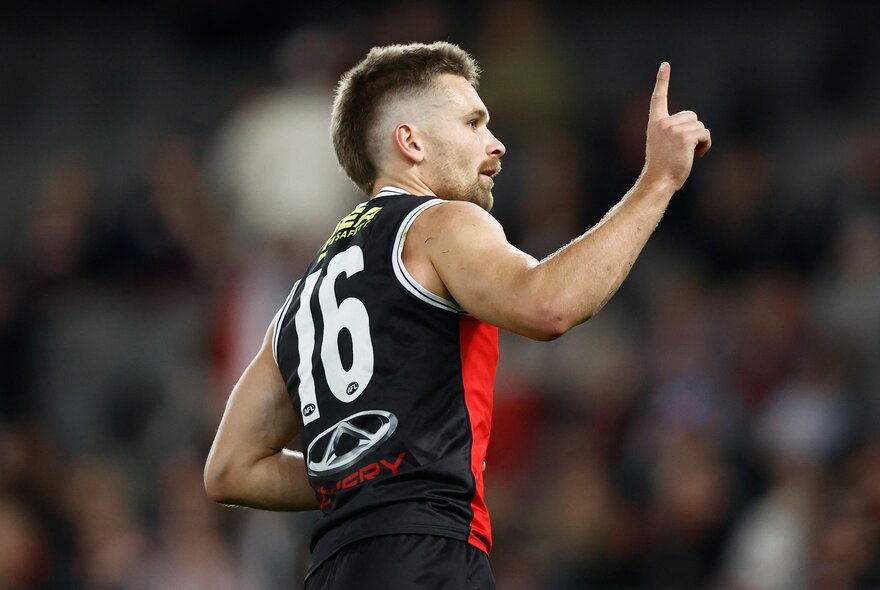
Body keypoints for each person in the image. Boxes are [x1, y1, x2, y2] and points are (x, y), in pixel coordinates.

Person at [204, 41, 711, 589]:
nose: (495, 145)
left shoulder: (301, 299)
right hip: (428, 556)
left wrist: (359, 474)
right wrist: (657, 181)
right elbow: (549, 305)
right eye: (473, 123)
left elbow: (230, 468)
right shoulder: (437, 223)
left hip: (331, 570)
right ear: (411, 141)